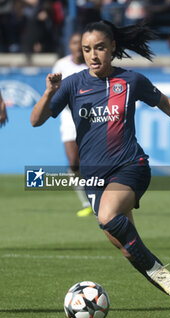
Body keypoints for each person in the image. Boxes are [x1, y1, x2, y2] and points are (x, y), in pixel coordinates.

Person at [30, 20, 170, 318]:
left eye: (100, 48)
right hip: (94, 177)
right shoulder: (73, 84)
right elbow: (36, 121)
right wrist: (49, 92)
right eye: (87, 49)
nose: (93, 55)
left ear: (113, 47)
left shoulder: (130, 81)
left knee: (106, 216)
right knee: (128, 248)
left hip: (131, 167)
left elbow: (164, 102)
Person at [52, 32, 92, 217]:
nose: (77, 46)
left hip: (91, 118)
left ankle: (99, 197)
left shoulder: (93, 64)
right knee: (74, 163)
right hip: (69, 118)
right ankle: (86, 201)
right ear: (69, 45)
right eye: (74, 42)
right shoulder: (61, 65)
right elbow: (52, 90)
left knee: (92, 162)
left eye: (80, 43)